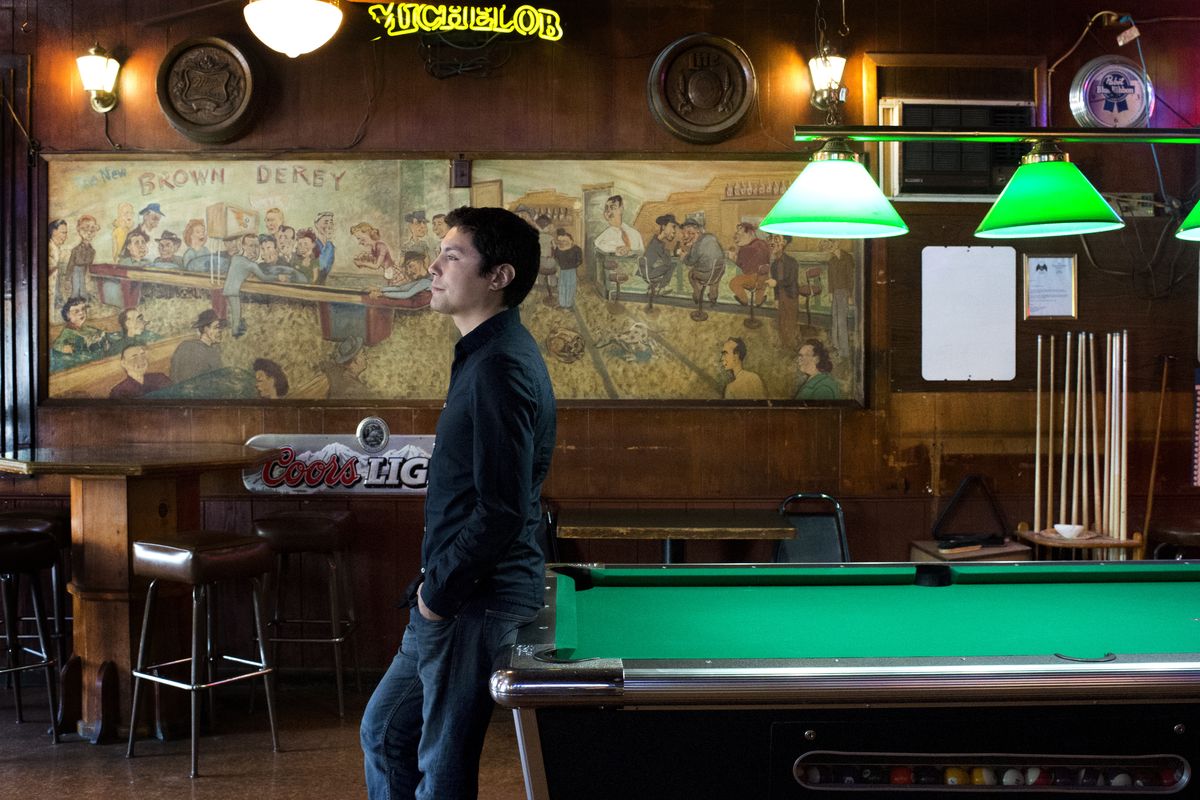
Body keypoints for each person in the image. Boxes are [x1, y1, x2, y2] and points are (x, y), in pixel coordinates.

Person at [360, 205, 556, 800]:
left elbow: (500, 508)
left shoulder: (499, 366)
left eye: (452, 256)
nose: (433, 267)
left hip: (471, 598)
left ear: (498, 276)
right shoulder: (485, 353)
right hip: (454, 593)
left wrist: (435, 597)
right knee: (386, 732)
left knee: (441, 766)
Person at [170, 308, 226, 384]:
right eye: (216, 327)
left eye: (220, 328)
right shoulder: (191, 349)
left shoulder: (214, 349)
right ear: (206, 329)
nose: (220, 331)